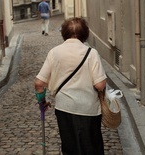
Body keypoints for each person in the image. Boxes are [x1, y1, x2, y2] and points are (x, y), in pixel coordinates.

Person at [35, 17, 107, 155]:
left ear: (64, 34)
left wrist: (42, 102)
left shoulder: (54, 52)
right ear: (85, 34)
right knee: (91, 147)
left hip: (64, 109)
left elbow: (39, 83)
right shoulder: (91, 53)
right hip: (89, 109)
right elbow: (99, 85)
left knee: (70, 148)